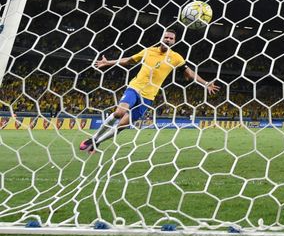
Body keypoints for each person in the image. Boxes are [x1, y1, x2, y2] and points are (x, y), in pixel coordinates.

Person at [82, 28, 219, 153]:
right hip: (135, 87)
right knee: (119, 112)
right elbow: (129, 60)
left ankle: (97, 142)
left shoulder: (176, 57)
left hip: (148, 97)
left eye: (171, 38)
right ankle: (93, 138)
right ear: (162, 38)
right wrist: (108, 62)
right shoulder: (148, 51)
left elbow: (189, 72)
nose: (168, 40)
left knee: (123, 125)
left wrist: (205, 83)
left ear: (174, 41)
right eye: (166, 37)